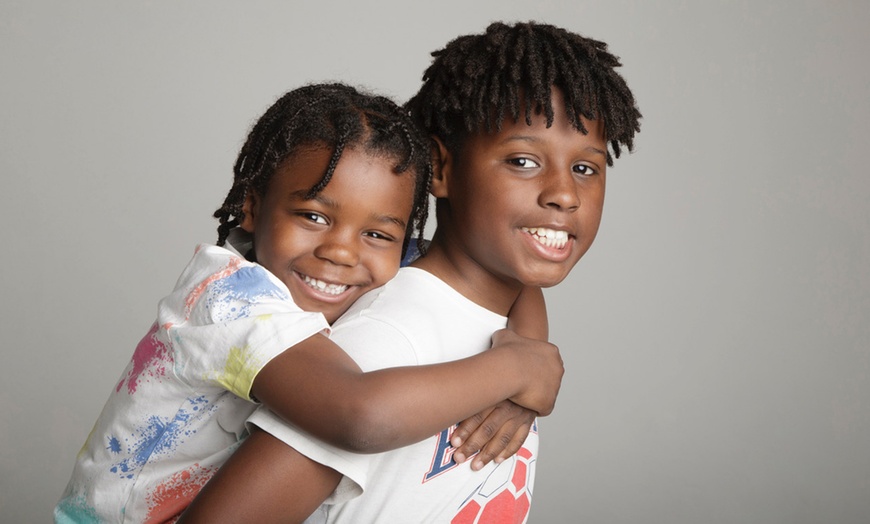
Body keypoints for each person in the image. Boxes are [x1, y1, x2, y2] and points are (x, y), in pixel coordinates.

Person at [179, 21, 642, 524]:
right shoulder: (383, 344)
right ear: (441, 169)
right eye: (523, 160)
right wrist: (522, 370)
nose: (565, 194)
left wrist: (530, 366)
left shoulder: (495, 318)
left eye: (586, 168)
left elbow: (521, 297)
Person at [54, 82, 564, 524]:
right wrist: (516, 368)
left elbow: (511, 277)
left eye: (376, 233)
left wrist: (532, 353)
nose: (341, 252)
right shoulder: (229, 301)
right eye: (314, 217)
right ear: (252, 207)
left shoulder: (373, 257)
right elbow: (360, 417)